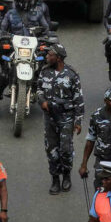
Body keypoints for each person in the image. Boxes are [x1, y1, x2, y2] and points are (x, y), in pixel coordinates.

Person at [36, 43, 84, 195]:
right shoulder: (44, 71)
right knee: (51, 149)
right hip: (50, 118)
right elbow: (38, 89)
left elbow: (78, 99)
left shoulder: (72, 74)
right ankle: (55, 179)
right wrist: (42, 100)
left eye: (50, 55)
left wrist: (78, 121)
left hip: (66, 118)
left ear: (58, 58)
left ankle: (67, 175)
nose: (47, 57)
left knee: (65, 149)